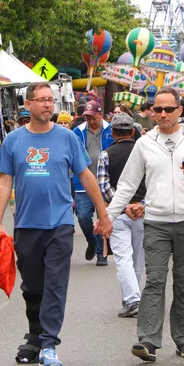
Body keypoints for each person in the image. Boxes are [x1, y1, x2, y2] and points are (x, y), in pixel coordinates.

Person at [0, 82, 112, 366]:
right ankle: (34, 336)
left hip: (59, 224)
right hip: (25, 225)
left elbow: (86, 176)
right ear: (28, 104)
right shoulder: (13, 141)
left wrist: (103, 213)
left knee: (54, 285)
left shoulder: (68, 138)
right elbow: (4, 182)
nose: (48, 105)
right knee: (32, 287)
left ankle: (48, 344)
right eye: (42, 100)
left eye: (51, 100)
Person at [104, 87, 184, 362]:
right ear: (152, 113)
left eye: (168, 109)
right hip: (156, 222)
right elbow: (127, 185)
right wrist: (108, 217)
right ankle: (148, 341)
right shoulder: (144, 143)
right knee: (154, 280)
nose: (162, 114)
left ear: (180, 111)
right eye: (157, 109)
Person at [97, 112, 147, 318]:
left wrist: (122, 205)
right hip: (144, 211)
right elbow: (153, 181)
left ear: (112, 132)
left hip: (117, 214)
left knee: (123, 259)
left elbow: (103, 185)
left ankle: (132, 299)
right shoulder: (144, 152)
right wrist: (141, 204)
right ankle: (134, 297)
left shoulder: (106, 154)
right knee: (138, 259)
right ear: (133, 131)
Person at [72, 100, 114, 266]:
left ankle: (101, 253)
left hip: (104, 180)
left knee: (102, 217)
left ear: (100, 114)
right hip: (83, 181)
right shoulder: (78, 132)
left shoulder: (110, 130)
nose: (90, 120)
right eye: (87, 117)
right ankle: (91, 240)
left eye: (93, 117)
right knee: (83, 216)